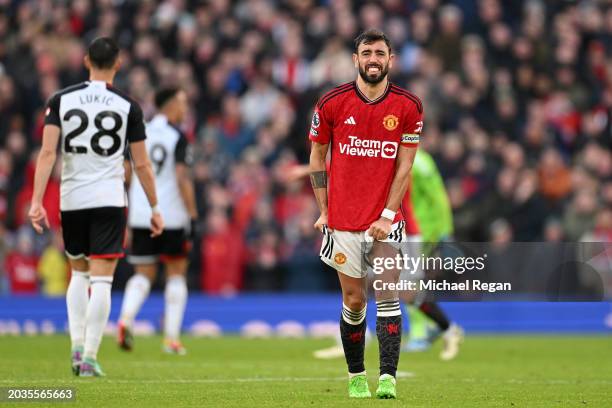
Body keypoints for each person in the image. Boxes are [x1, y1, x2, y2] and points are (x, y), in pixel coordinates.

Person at [28, 37, 163, 377]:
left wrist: (35, 201)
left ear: (86, 60)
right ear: (118, 64)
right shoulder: (128, 105)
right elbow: (142, 164)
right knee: (102, 281)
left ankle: (75, 346)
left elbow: (47, 153)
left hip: (72, 198)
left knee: (78, 273)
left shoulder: (60, 100)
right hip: (109, 198)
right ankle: (89, 356)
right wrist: (155, 206)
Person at [309, 29, 422, 399]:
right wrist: (324, 210)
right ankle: (356, 373)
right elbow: (316, 158)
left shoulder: (408, 106)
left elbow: (405, 167)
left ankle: (388, 377)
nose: (373, 59)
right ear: (355, 59)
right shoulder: (331, 103)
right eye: (366, 52)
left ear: (390, 60)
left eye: (380, 53)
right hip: (342, 220)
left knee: (387, 295)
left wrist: (388, 214)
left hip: (385, 222)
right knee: (354, 301)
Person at [117, 87, 197, 355]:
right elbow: (182, 178)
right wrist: (193, 215)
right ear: (171, 105)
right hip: (172, 215)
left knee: (143, 274)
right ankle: (171, 339)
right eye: (182, 103)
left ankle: (126, 319)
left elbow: (126, 173)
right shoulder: (178, 136)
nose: (185, 109)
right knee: (176, 273)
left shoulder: (141, 132)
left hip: (142, 214)